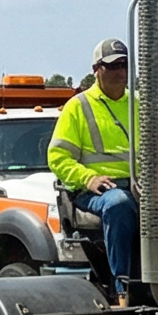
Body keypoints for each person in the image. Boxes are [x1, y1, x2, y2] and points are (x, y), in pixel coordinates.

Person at [48, 37, 137, 286]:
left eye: (124, 64)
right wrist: (89, 178)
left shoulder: (140, 104)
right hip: (96, 191)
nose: (120, 71)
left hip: (138, 186)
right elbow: (57, 157)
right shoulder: (78, 107)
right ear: (96, 70)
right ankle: (122, 284)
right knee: (118, 203)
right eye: (112, 66)